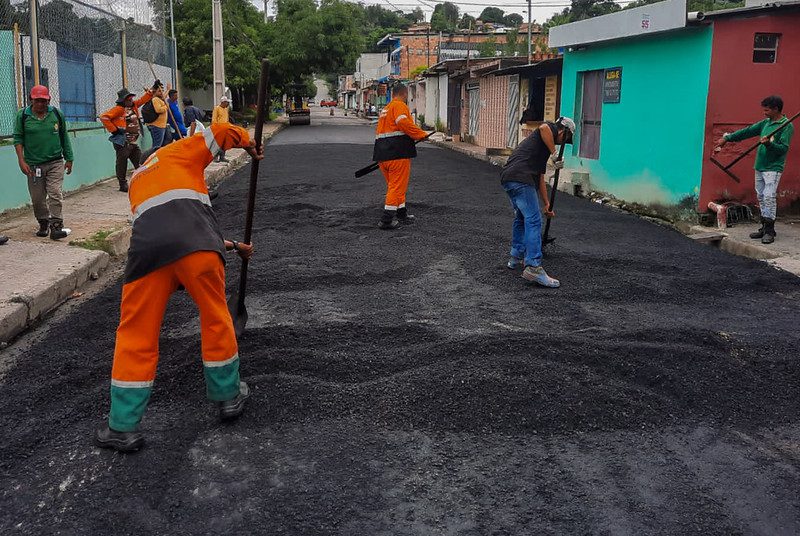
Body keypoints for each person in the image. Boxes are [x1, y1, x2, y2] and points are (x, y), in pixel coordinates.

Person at [94, 122, 263, 453]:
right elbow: (220, 130)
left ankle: (122, 427)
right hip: (199, 249)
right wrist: (248, 142)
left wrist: (231, 245)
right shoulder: (176, 150)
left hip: (147, 256)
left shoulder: (136, 181)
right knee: (216, 316)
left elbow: (166, 230)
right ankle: (228, 397)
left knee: (135, 334)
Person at [500, 116, 575, 288]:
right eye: (565, 139)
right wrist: (555, 156)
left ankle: (516, 256)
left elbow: (540, 178)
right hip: (520, 177)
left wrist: (546, 203)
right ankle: (533, 267)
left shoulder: (540, 148)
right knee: (533, 220)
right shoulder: (549, 129)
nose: (560, 143)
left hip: (509, 177)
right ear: (562, 131)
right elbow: (543, 128)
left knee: (521, 217)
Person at [715, 95, 794, 244]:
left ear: (776, 109)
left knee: (769, 197)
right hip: (760, 166)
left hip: (773, 168)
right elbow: (748, 131)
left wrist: (769, 145)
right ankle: (764, 227)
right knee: (761, 197)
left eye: (767, 110)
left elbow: (783, 149)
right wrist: (728, 138)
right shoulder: (766, 123)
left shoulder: (786, 126)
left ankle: (770, 231)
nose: (764, 113)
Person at [13, 85, 74, 240]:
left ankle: (56, 227)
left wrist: (69, 158)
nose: (40, 104)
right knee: (37, 198)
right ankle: (43, 222)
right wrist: (21, 160)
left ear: (49, 100)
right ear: (31, 100)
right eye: (37, 101)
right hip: (33, 165)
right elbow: (18, 139)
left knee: (55, 193)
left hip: (55, 162)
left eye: (44, 101)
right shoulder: (23, 116)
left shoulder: (56, 114)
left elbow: (64, 137)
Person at [372, 83, 430, 229]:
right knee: (396, 186)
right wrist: (421, 134)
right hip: (397, 153)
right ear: (404, 94)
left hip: (382, 154)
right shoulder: (399, 106)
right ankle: (386, 220)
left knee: (396, 185)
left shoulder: (386, 109)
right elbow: (403, 122)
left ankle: (401, 213)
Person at [99, 82, 157, 192]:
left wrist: (153, 89)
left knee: (140, 162)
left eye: (131, 99)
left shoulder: (133, 106)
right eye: (129, 100)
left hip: (133, 141)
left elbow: (143, 99)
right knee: (122, 162)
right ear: (124, 100)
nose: (131, 101)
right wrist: (115, 130)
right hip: (123, 141)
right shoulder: (118, 109)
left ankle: (143, 181)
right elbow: (104, 117)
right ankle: (123, 184)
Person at [143, 83, 171, 148]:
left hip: (160, 126)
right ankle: (152, 157)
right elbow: (158, 110)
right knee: (157, 146)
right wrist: (166, 106)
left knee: (162, 144)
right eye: (159, 91)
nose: (161, 92)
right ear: (155, 92)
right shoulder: (155, 99)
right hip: (157, 126)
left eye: (162, 91)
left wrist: (168, 90)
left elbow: (164, 97)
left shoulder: (159, 99)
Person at [211, 96, 231, 162]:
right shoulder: (217, 108)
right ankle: (215, 157)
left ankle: (222, 157)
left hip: (225, 129)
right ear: (223, 102)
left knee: (224, 144)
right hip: (219, 129)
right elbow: (214, 120)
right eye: (226, 102)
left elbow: (227, 119)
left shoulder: (226, 109)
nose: (227, 104)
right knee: (217, 144)